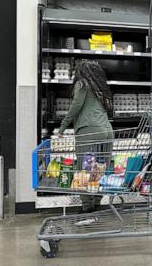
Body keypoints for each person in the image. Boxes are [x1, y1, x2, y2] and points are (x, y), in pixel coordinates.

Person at [58, 60, 114, 213]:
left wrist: (62, 127)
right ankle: (96, 201)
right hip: (107, 130)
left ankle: (87, 208)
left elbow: (75, 107)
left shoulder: (82, 84)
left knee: (84, 169)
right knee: (100, 168)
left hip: (89, 131)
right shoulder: (100, 88)